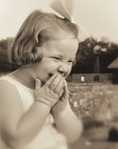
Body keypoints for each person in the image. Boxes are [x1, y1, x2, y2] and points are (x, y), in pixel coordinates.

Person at [0, 0, 86, 149]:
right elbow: (15, 141)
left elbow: (73, 135)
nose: (64, 68)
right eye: (56, 58)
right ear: (30, 50)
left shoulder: (51, 90)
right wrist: (44, 103)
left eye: (70, 61)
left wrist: (60, 112)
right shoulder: (7, 88)